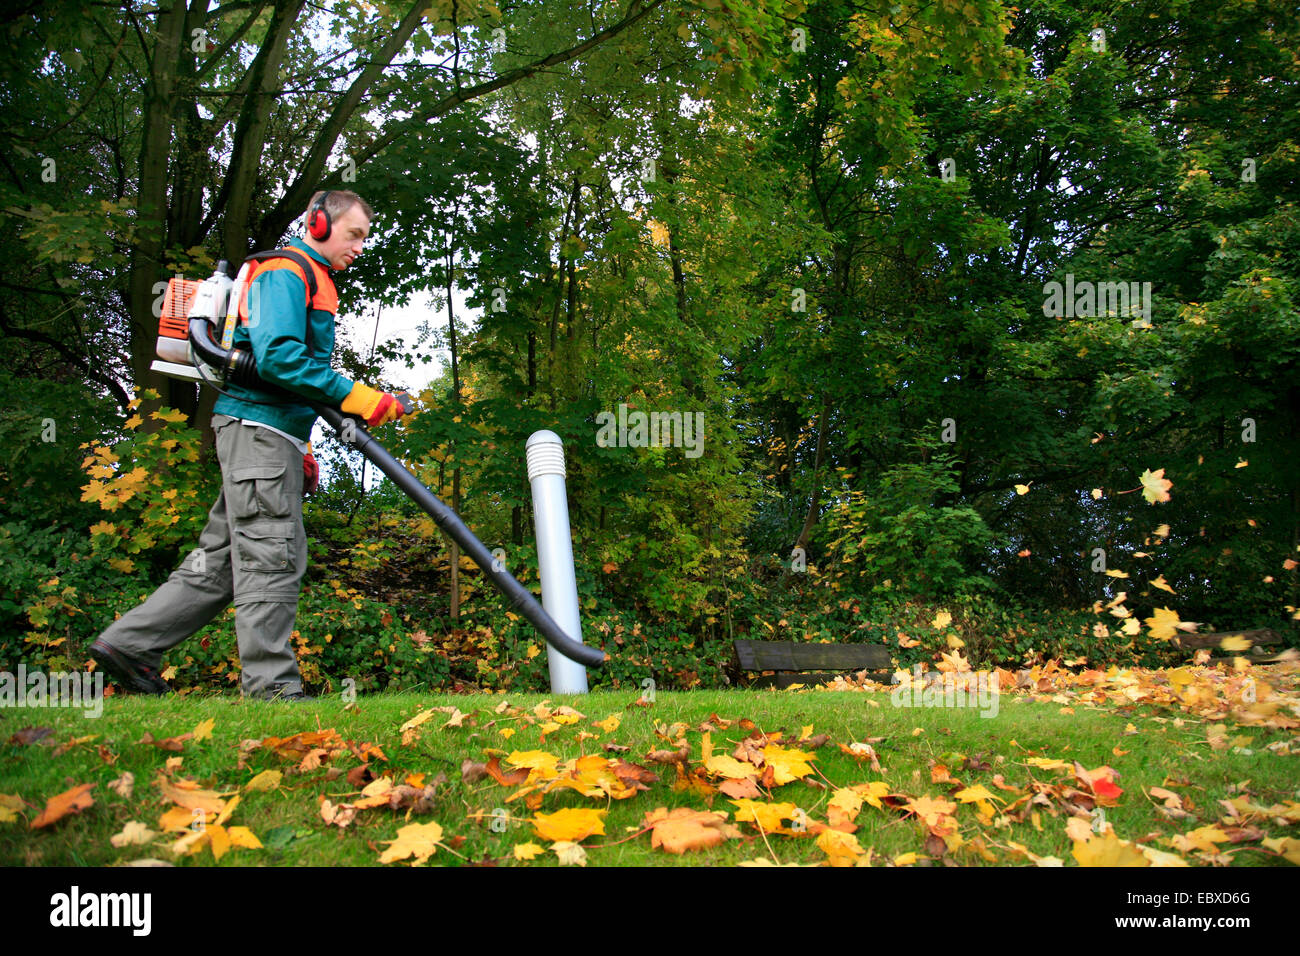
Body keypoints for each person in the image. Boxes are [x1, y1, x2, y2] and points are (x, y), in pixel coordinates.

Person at [91, 189, 406, 700]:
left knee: (219, 562)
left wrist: (299, 445)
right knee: (271, 553)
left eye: (365, 238)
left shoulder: (306, 275)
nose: (359, 247)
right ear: (319, 226)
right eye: (353, 235)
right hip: (258, 433)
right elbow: (279, 359)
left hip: (262, 433)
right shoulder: (287, 271)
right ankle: (271, 686)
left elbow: (281, 375)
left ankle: (128, 645)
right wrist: (358, 397)